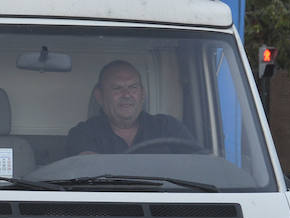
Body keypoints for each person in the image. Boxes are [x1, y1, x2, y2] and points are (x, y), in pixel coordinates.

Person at [66, 60, 195, 155]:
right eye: (117, 88)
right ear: (100, 97)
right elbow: (90, 177)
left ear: (142, 94)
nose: (127, 95)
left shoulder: (169, 127)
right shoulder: (83, 133)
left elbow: (197, 168)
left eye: (133, 87)